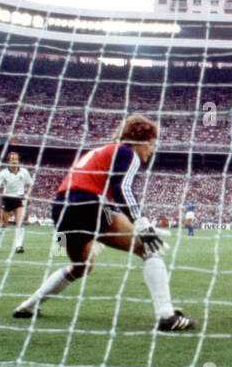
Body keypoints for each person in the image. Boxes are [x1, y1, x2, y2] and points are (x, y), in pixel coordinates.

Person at [12, 114, 197, 331]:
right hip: (90, 204)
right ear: (140, 139)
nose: (152, 150)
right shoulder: (128, 151)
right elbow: (122, 189)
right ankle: (167, 316)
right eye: (151, 144)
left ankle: (27, 306)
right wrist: (142, 223)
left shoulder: (100, 151)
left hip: (61, 208)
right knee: (149, 249)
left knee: (82, 266)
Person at [0, 151, 34, 253]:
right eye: (12, 159)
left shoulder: (24, 172)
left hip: (20, 199)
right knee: (3, 224)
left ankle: (19, 246)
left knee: (20, 223)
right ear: (8, 161)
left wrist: (29, 196)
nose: (14, 161)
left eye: (16, 159)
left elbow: (29, 184)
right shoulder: (3, 173)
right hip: (7, 199)